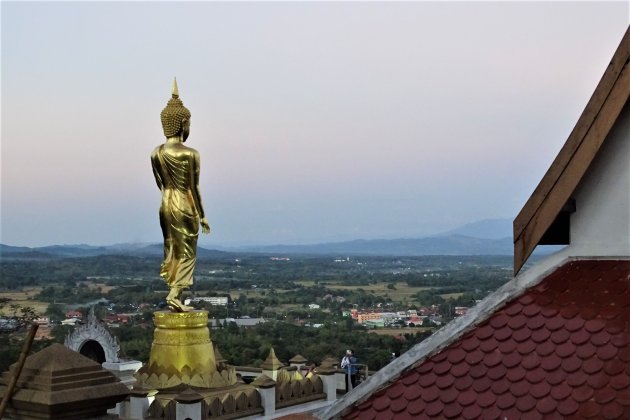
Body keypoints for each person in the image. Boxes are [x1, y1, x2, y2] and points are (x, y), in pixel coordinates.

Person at [151, 78, 210, 312]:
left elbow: (160, 183)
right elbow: (194, 187)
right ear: (182, 122)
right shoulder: (190, 154)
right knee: (187, 250)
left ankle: (173, 287)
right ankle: (175, 293)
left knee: (171, 246)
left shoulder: (156, 153)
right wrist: (203, 215)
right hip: (184, 203)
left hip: (165, 203)